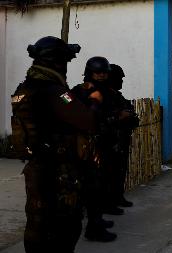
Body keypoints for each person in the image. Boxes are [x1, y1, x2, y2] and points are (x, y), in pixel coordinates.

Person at [12, 36, 97, 252]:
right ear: (58, 62)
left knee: (37, 222)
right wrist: (94, 100)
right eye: (66, 61)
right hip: (59, 170)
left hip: (36, 166)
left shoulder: (25, 88)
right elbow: (86, 120)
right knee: (65, 224)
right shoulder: (57, 91)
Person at [71, 56, 119, 242]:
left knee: (101, 186)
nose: (100, 75)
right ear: (89, 72)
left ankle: (96, 220)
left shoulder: (107, 91)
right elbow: (82, 117)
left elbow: (110, 113)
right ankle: (93, 227)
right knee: (92, 187)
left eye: (103, 72)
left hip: (104, 144)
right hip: (90, 146)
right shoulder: (81, 91)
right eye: (97, 72)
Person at [106, 64, 139, 208]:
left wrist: (130, 116)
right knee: (109, 174)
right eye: (119, 78)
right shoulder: (102, 96)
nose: (122, 82)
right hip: (108, 141)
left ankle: (118, 197)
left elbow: (130, 113)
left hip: (121, 139)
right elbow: (97, 118)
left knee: (120, 171)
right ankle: (108, 203)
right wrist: (118, 117)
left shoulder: (117, 96)